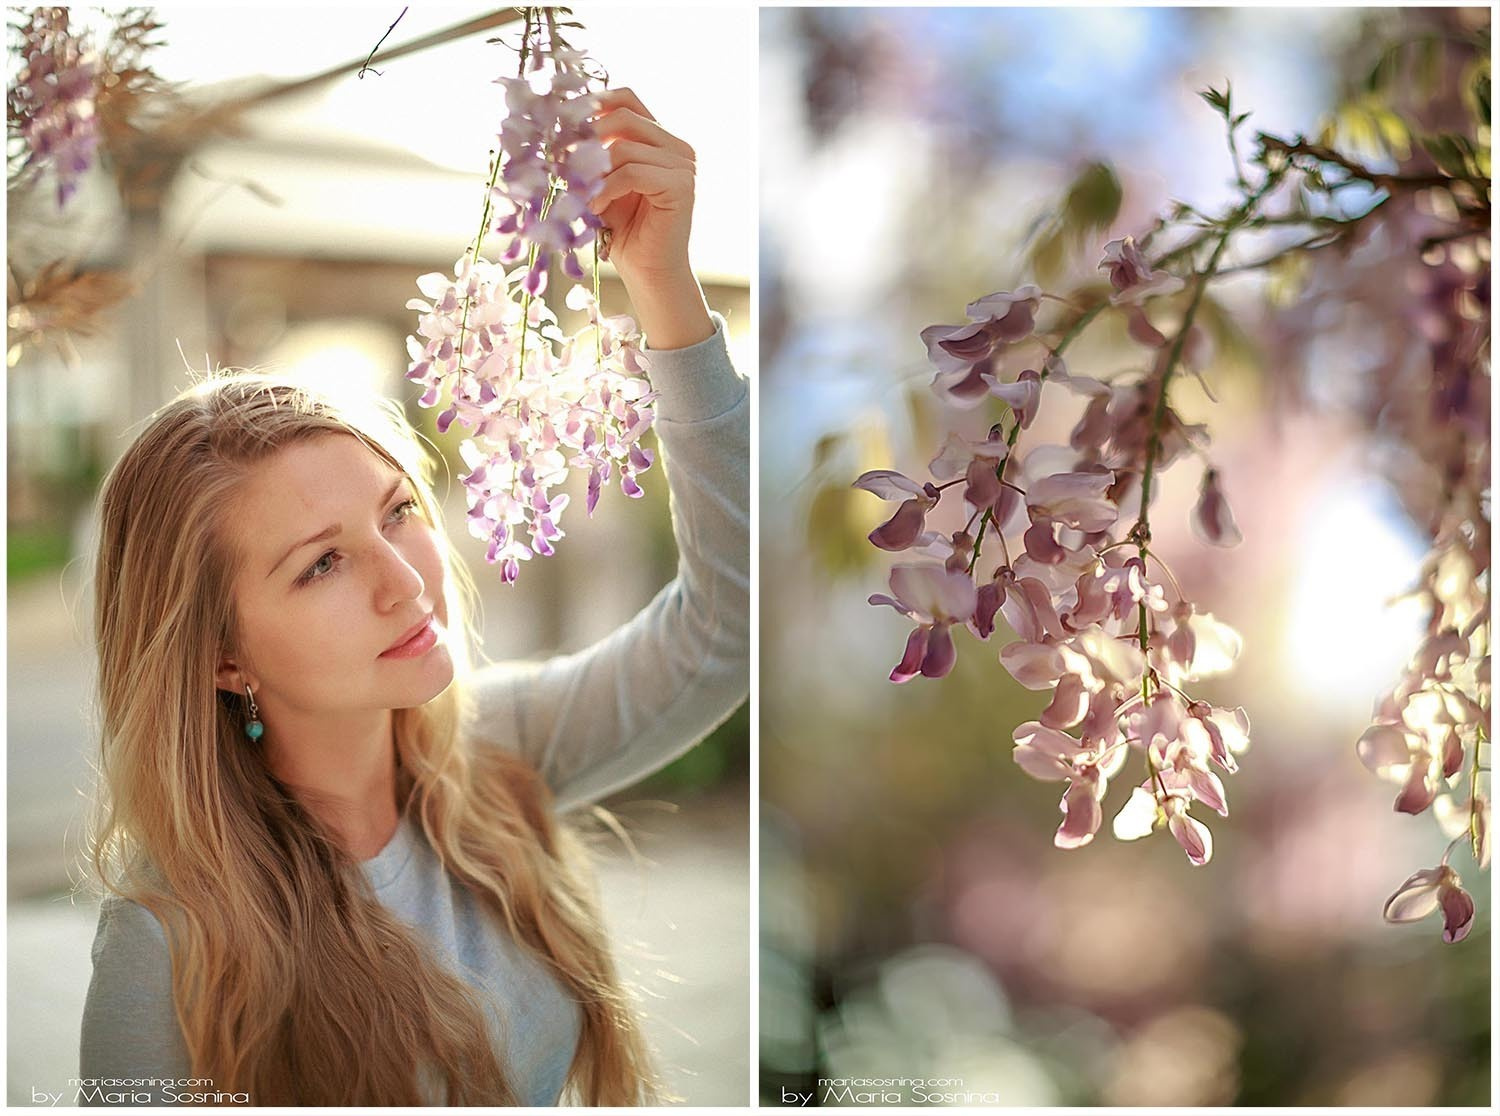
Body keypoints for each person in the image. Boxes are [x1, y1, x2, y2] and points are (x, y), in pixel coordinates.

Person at [77, 88, 747, 1106]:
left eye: (397, 512)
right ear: (221, 655)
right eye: (322, 564)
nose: (405, 581)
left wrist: (661, 284)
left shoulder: (495, 752)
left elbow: (726, 629)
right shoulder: (167, 943)